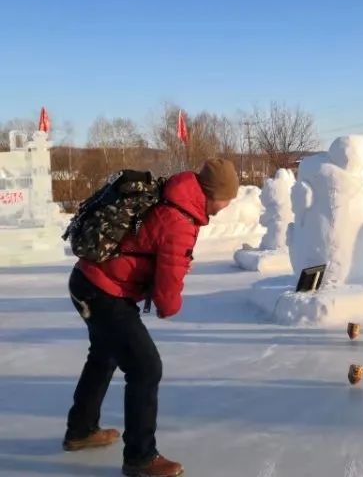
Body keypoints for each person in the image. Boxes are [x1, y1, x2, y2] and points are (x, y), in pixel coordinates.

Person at [63, 159, 240, 477]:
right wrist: (169, 306)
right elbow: (168, 283)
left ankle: (81, 430)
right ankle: (140, 458)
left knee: (103, 356)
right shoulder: (180, 219)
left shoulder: (173, 194)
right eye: (229, 199)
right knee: (146, 368)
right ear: (215, 194)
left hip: (87, 281)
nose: (227, 206)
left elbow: (151, 249)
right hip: (105, 292)